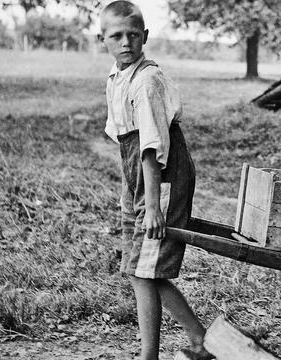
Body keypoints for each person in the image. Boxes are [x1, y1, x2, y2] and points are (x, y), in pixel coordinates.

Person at [98, 2, 211, 359]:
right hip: (139, 177)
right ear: (101, 39)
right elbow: (125, 143)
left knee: (144, 271)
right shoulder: (117, 78)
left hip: (162, 177)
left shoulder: (146, 81)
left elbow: (151, 148)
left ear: (145, 36)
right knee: (138, 269)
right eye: (116, 36)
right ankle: (198, 338)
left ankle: (155, 354)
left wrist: (151, 205)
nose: (126, 42)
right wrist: (131, 193)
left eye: (133, 35)